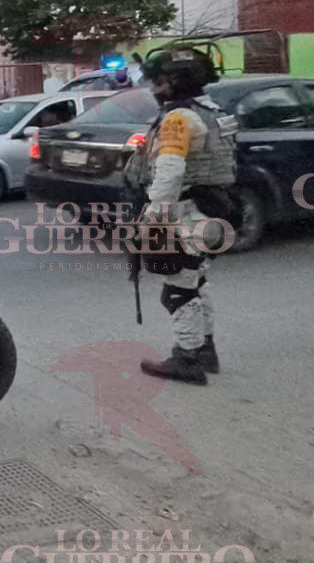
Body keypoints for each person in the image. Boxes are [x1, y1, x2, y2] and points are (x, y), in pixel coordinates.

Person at [126, 48, 238, 386]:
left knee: (176, 290)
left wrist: (153, 220)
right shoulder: (214, 112)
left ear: (174, 81)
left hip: (188, 212)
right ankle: (206, 351)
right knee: (197, 281)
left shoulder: (178, 119)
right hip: (214, 208)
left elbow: (170, 173)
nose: (152, 88)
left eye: (157, 81)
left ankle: (187, 359)